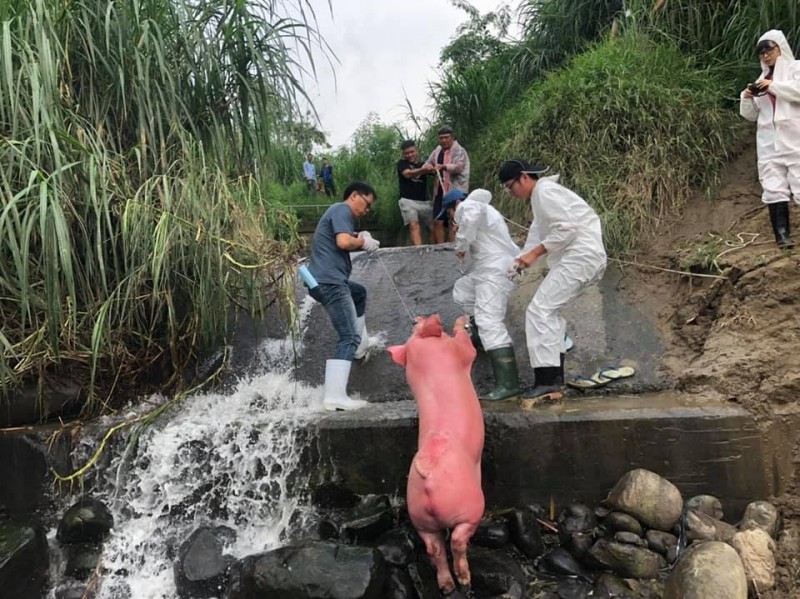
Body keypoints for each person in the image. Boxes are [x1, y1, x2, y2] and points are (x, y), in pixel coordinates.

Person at [498, 159, 607, 402]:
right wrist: (518, 264)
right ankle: (553, 382)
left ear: (524, 177)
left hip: (580, 256)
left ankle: (547, 382)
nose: (510, 192)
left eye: (510, 186)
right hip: (579, 258)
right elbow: (535, 238)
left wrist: (534, 255)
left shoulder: (545, 192)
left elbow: (567, 229)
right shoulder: (540, 200)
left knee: (539, 311)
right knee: (549, 312)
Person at [304, 182, 381, 411]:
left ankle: (360, 344)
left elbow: (345, 237)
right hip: (331, 282)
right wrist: (363, 242)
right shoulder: (342, 209)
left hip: (322, 280)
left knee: (359, 293)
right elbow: (344, 242)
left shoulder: (338, 214)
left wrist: (359, 235)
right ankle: (335, 397)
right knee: (347, 336)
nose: (366, 211)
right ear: (354, 196)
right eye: (366, 204)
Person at [440, 188, 521, 400]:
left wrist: (461, 244)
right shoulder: (485, 210)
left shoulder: (469, 205)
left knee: (490, 322)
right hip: (488, 268)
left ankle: (508, 385)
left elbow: (470, 217)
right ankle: (478, 337)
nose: (451, 219)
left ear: (454, 205)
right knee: (463, 290)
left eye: (448, 213)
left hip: (494, 271)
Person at [740, 30, 800, 249]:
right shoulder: (760, 80)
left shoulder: (796, 69)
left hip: (795, 138)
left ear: (780, 48)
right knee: (774, 187)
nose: (765, 56)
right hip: (768, 142)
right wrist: (746, 98)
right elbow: (750, 114)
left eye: (769, 50)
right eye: (761, 52)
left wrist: (773, 86)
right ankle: (782, 237)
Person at [425, 126, 470, 244]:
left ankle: (453, 248)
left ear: (452, 137)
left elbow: (458, 167)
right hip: (439, 190)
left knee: (453, 220)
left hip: (456, 191)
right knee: (437, 220)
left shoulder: (459, 150)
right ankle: (440, 249)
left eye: (446, 138)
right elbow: (427, 164)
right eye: (441, 138)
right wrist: (429, 168)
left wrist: (444, 166)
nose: (443, 140)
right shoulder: (437, 151)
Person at [397, 140, 434, 245]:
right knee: (414, 225)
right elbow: (407, 174)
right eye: (406, 153)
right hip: (407, 201)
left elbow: (434, 171)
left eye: (412, 152)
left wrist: (433, 168)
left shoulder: (423, 164)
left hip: (424, 202)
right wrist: (423, 170)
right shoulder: (402, 164)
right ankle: (419, 252)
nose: (410, 155)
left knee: (433, 227)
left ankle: (434, 251)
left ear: (417, 151)